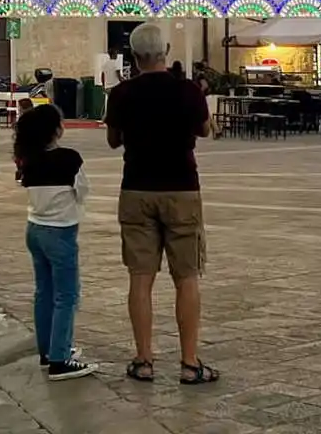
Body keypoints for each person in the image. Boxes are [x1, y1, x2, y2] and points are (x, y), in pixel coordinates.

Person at [105, 23, 217, 386]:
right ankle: (189, 362)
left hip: (137, 187)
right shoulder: (187, 91)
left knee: (140, 278)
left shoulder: (121, 93)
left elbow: (112, 141)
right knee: (186, 277)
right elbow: (205, 130)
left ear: (134, 57)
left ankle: (144, 359)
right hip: (182, 188)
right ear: (166, 51)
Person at [16, 102, 95, 380]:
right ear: (56, 131)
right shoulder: (69, 159)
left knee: (44, 293)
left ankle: (47, 351)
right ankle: (60, 358)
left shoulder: (29, 160)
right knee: (66, 295)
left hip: (35, 228)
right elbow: (83, 191)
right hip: (60, 232)